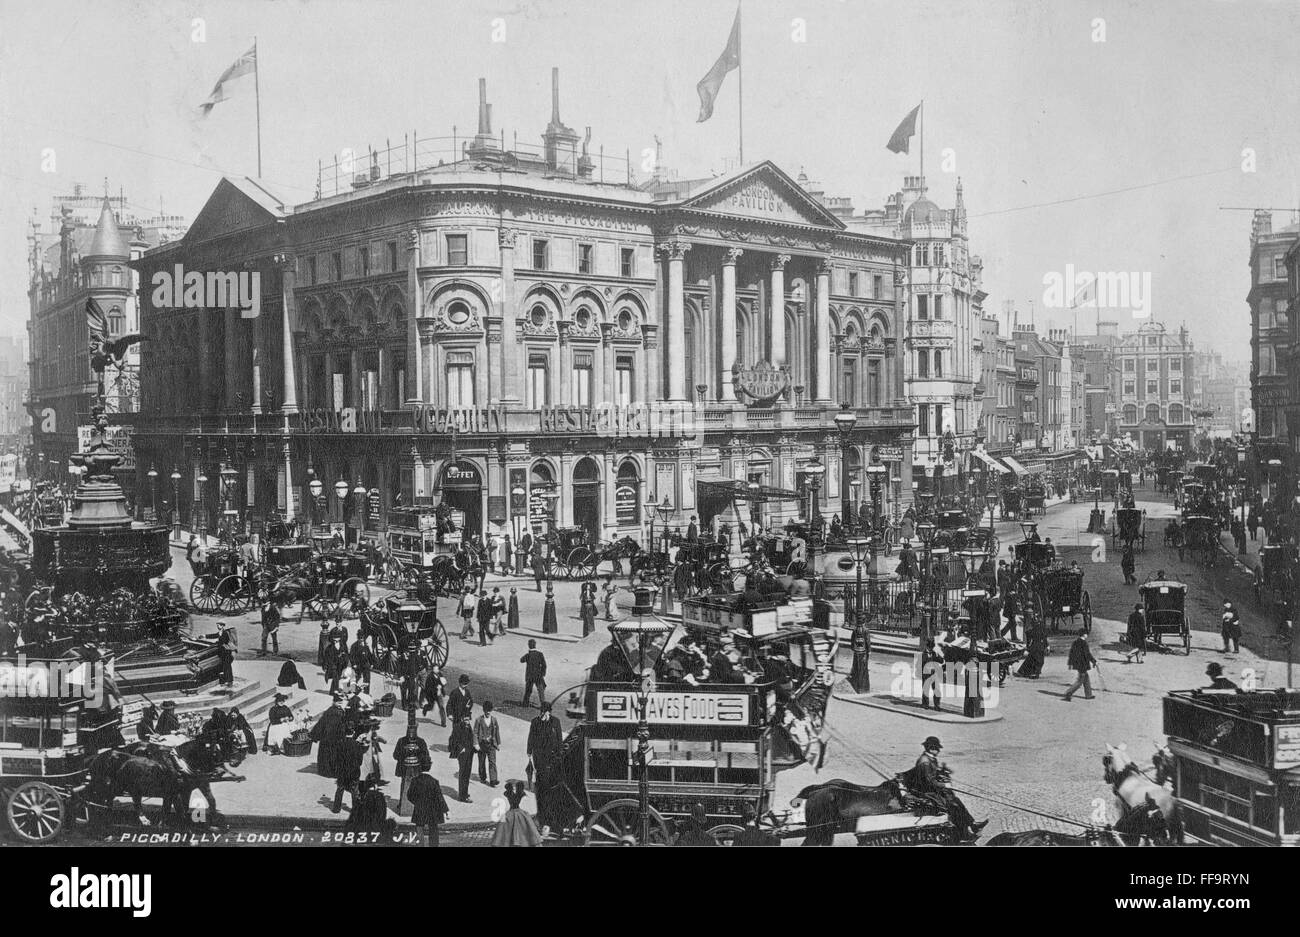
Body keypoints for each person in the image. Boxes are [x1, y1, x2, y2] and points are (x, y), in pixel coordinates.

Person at [902, 737, 987, 841]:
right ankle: (964, 834)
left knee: (955, 801)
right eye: (936, 748)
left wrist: (941, 773)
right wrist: (944, 785)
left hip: (929, 789)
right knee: (952, 806)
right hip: (925, 792)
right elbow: (929, 782)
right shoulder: (925, 762)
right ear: (930, 748)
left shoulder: (930, 758)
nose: (938, 750)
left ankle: (972, 825)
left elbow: (932, 775)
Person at [526, 702, 564, 830]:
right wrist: (529, 751)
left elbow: (559, 739)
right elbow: (531, 736)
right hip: (539, 757)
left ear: (549, 712)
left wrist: (560, 754)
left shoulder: (555, 722)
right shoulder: (536, 722)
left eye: (545, 711)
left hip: (552, 757)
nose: (543, 713)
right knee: (541, 779)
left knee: (549, 781)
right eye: (542, 711)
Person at [492, 778, 543, 846]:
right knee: (525, 826)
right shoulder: (520, 794)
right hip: (518, 813)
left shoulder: (508, 793)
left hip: (511, 813)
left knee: (505, 828)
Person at [408, 766, 450, 846]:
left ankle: (420, 844)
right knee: (433, 828)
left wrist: (417, 802)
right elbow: (439, 797)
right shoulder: (434, 781)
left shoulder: (415, 780)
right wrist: (445, 810)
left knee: (419, 827)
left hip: (420, 808)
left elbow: (409, 795)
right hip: (432, 809)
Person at [310, 693, 350, 778]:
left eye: (341, 702)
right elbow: (324, 723)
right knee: (332, 754)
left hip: (335, 736)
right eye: (337, 702)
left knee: (332, 754)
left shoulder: (338, 710)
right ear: (334, 702)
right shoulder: (332, 711)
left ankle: (330, 770)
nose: (339, 703)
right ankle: (331, 771)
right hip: (331, 736)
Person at [448, 714, 477, 803]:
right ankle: (462, 796)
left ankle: (465, 792)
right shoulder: (457, 727)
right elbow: (452, 740)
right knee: (463, 773)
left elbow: (471, 738)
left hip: (469, 752)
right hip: (463, 754)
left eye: (468, 719)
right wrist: (460, 749)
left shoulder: (468, 726)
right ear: (462, 719)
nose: (467, 721)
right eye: (465, 719)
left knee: (467, 773)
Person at [474, 700, 502, 787]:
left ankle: (493, 779)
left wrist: (498, 743)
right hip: (481, 744)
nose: (488, 713)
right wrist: (476, 744)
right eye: (486, 711)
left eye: (489, 711)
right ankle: (482, 777)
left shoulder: (494, 720)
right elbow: (475, 732)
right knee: (481, 761)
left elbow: (497, 731)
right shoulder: (479, 720)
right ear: (484, 710)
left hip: (491, 744)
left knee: (492, 762)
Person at [1062, 633, 1098, 701]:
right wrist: (1093, 661)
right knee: (1080, 680)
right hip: (1083, 664)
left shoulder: (1075, 642)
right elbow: (1087, 654)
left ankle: (1088, 695)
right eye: (1086, 634)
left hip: (1078, 664)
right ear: (1084, 635)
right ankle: (1069, 693)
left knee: (1086, 678)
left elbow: (1071, 653)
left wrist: (1070, 663)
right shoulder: (1084, 643)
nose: (1087, 635)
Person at [520, 639, 547, 707]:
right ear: (535, 645)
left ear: (529, 646)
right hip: (538, 675)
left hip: (530, 676)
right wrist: (542, 674)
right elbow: (544, 665)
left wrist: (527, 654)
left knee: (528, 690)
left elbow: (521, 660)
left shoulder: (528, 655)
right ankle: (543, 705)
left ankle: (525, 703)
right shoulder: (540, 654)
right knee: (541, 691)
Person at [216, 621, 237, 687]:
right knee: (225, 667)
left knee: (227, 667)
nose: (217, 626)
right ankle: (227, 681)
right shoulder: (220, 632)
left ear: (222, 626)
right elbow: (213, 635)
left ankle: (230, 682)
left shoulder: (225, 633)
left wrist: (218, 642)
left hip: (227, 653)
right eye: (217, 625)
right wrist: (204, 636)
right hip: (224, 653)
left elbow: (224, 641)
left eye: (218, 625)